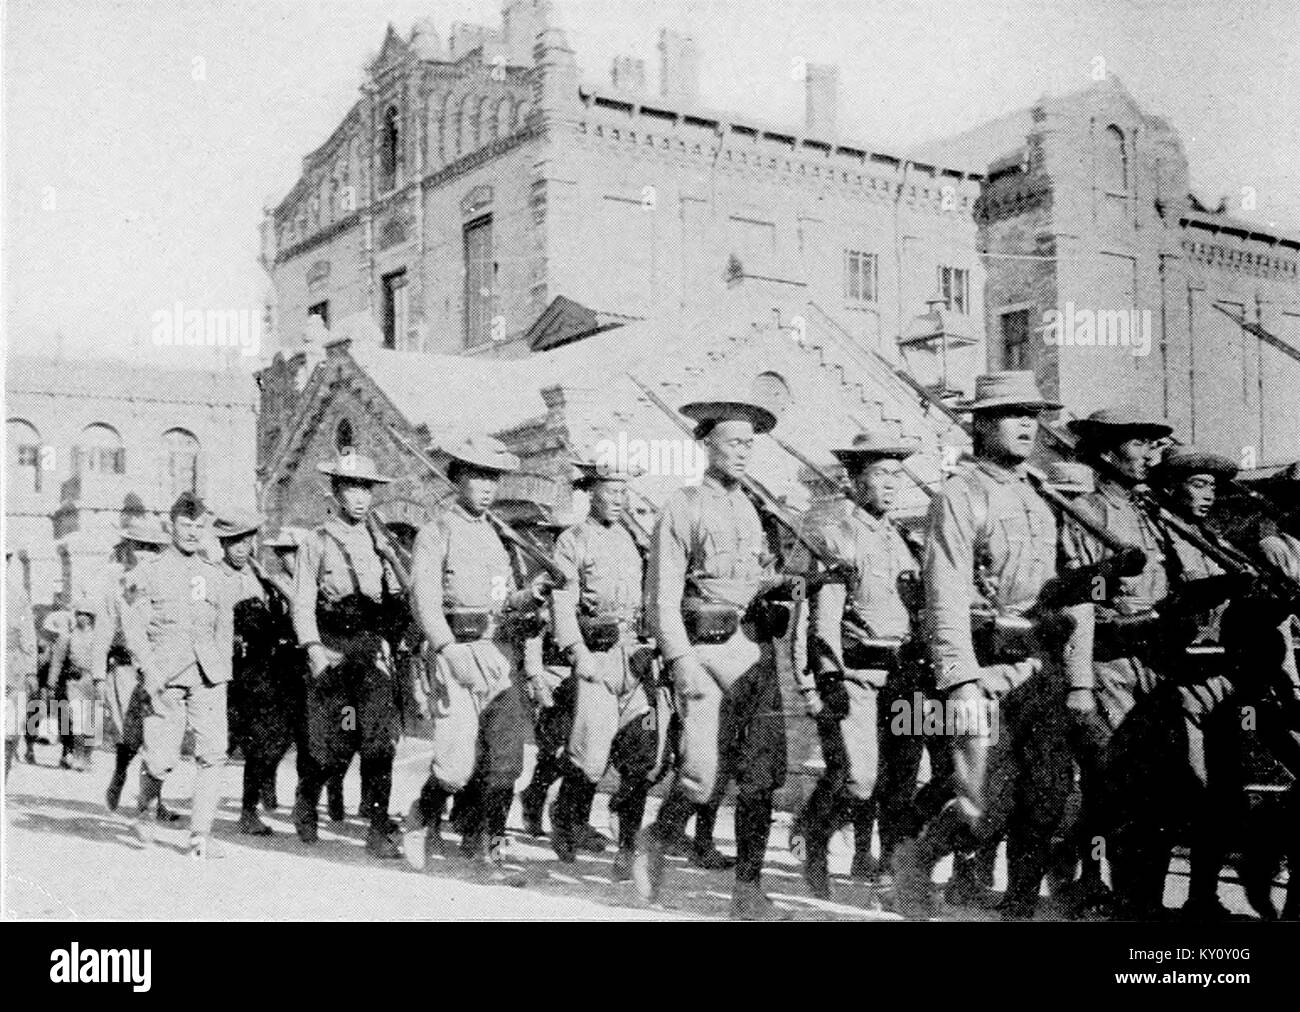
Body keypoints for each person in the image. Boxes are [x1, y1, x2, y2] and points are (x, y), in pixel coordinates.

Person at [891, 371, 1074, 920]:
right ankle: (913, 860)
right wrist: (960, 682)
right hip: (983, 667)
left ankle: (1017, 909)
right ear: (981, 424)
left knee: (1046, 801)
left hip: (1039, 669)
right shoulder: (960, 494)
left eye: (1032, 415)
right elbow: (943, 594)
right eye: (1012, 415)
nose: (1026, 425)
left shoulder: (1041, 496)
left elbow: (1058, 585)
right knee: (980, 806)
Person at [633, 396, 793, 920]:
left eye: (750, 443)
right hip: (703, 653)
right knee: (702, 774)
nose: (744, 452)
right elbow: (661, 594)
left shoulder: (754, 507)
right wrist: (678, 658)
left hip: (754, 651)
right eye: (733, 443)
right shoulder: (682, 505)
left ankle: (747, 891)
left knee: (762, 775)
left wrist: (778, 583)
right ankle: (656, 839)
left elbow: (759, 575)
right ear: (705, 445)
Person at [404, 435, 545, 880]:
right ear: (458, 479)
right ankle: (421, 815)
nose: (487, 486)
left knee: (507, 758)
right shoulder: (437, 530)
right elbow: (424, 601)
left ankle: (486, 850)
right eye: (478, 476)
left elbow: (500, 599)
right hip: (454, 650)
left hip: (497, 651)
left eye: (493, 478)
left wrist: (529, 596)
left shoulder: (496, 533)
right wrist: (447, 649)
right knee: (456, 766)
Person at [791, 431, 920, 900]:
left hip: (906, 676)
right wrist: (828, 678)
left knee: (903, 778)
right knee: (859, 778)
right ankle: (816, 838)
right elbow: (823, 619)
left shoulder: (906, 542)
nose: (891, 484)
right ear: (856, 480)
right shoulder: (837, 538)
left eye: (896, 474)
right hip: (857, 677)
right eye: (881, 474)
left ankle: (887, 871)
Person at [290, 452, 405, 858]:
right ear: (336, 491)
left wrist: (393, 561)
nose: (360, 497)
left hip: (370, 654)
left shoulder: (380, 541)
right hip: (334, 653)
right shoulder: (316, 541)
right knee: (336, 742)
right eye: (352, 487)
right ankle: (307, 798)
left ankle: (377, 825)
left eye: (366, 488)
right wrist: (314, 649)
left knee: (378, 743)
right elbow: (302, 604)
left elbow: (397, 599)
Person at [548, 459, 657, 882]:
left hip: (637, 658)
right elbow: (562, 602)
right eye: (610, 491)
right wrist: (578, 653)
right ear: (590, 492)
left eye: (623, 492)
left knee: (643, 757)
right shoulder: (573, 541)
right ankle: (566, 816)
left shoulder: (635, 539)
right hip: (597, 657)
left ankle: (627, 849)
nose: (618, 500)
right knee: (591, 759)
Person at [119, 493, 235, 859]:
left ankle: (200, 835)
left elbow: (223, 628)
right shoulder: (148, 572)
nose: (192, 532)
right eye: (186, 525)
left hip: (208, 675)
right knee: (161, 758)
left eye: (199, 526)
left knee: (214, 753)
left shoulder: (214, 575)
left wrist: (224, 672)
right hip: (165, 676)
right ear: (171, 526)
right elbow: (134, 628)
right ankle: (146, 809)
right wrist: (148, 670)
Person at [215, 509, 299, 836]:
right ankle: (165, 800)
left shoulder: (259, 576)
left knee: (259, 744)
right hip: (225, 674)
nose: (240, 547)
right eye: (233, 541)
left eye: (246, 540)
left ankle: (248, 812)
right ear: (223, 543)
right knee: (218, 746)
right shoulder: (210, 575)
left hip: (259, 675)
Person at [92, 518, 180, 821]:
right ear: (128, 548)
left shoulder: (167, 583)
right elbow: (103, 631)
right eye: (139, 547)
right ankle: (119, 774)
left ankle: (152, 800)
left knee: (159, 736)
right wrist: (98, 675)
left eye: (152, 548)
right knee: (131, 738)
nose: (144, 553)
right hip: (126, 670)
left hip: (160, 670)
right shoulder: (116, 587)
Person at [49, 592, 100, 771]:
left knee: (92, 723)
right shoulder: (68, 636)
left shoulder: (98, 638)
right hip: (74, 682)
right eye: (79, 614)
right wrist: (51, 683)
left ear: (92, 617)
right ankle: (76, 756)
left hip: (92, 682)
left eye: (87, 615)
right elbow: (57, 661)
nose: (82, 618)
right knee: (77, 720)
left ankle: (87, 757)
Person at [5, 547, 38, 780]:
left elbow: (28, 634)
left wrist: (31, 671)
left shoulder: (18, 594)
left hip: (12, 667)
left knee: (10, 731)